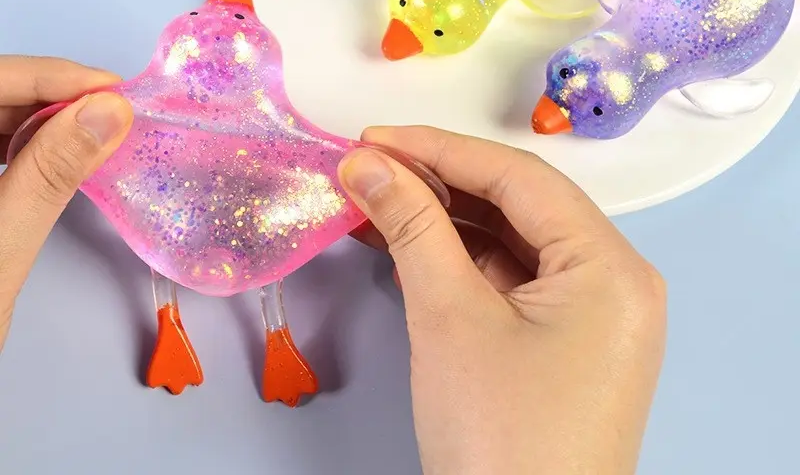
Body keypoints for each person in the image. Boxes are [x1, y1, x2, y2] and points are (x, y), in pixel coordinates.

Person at [0, 55, 666, 474]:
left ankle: (271, 343)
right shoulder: (144, 127)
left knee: (241, 267)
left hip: (219, 234)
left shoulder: (283, 145)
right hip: (177, 232)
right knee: (210, 264)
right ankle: (194, 334)